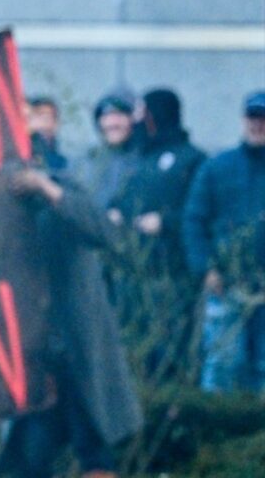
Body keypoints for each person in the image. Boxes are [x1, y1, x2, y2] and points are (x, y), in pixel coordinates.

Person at [0, 137, 142, 478]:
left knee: (94, 452)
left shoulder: (61, 188)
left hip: (76, 352)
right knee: (24, 462)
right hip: (35, 357)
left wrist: (47, 190)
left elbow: (104, 232)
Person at [110, 88, 205, 375]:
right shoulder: (140, 162)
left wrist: (166, 223)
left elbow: (199, 214)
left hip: (172, 274)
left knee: (171, 349)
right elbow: (122, 200)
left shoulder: (192, 160)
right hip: (134, 273)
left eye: (143, 112)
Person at [184, 90, 265, 392]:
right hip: (225, 286)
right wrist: (205, 268)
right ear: (244, 120)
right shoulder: (217, 167)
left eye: (263, 119)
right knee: (221, 365)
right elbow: (194, 220)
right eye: (253, 117)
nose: (259, 125)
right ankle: (214, 434)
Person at [75, 87, 140, 211]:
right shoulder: (86, 161)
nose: (112, 123)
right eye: (106, 116)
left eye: (119, 115)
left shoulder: (143, 161)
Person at [24, 96, 68, 171]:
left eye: (49, 116)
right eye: (40, 115)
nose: (44, 121)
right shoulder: (27, 149)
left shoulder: (64, 158)